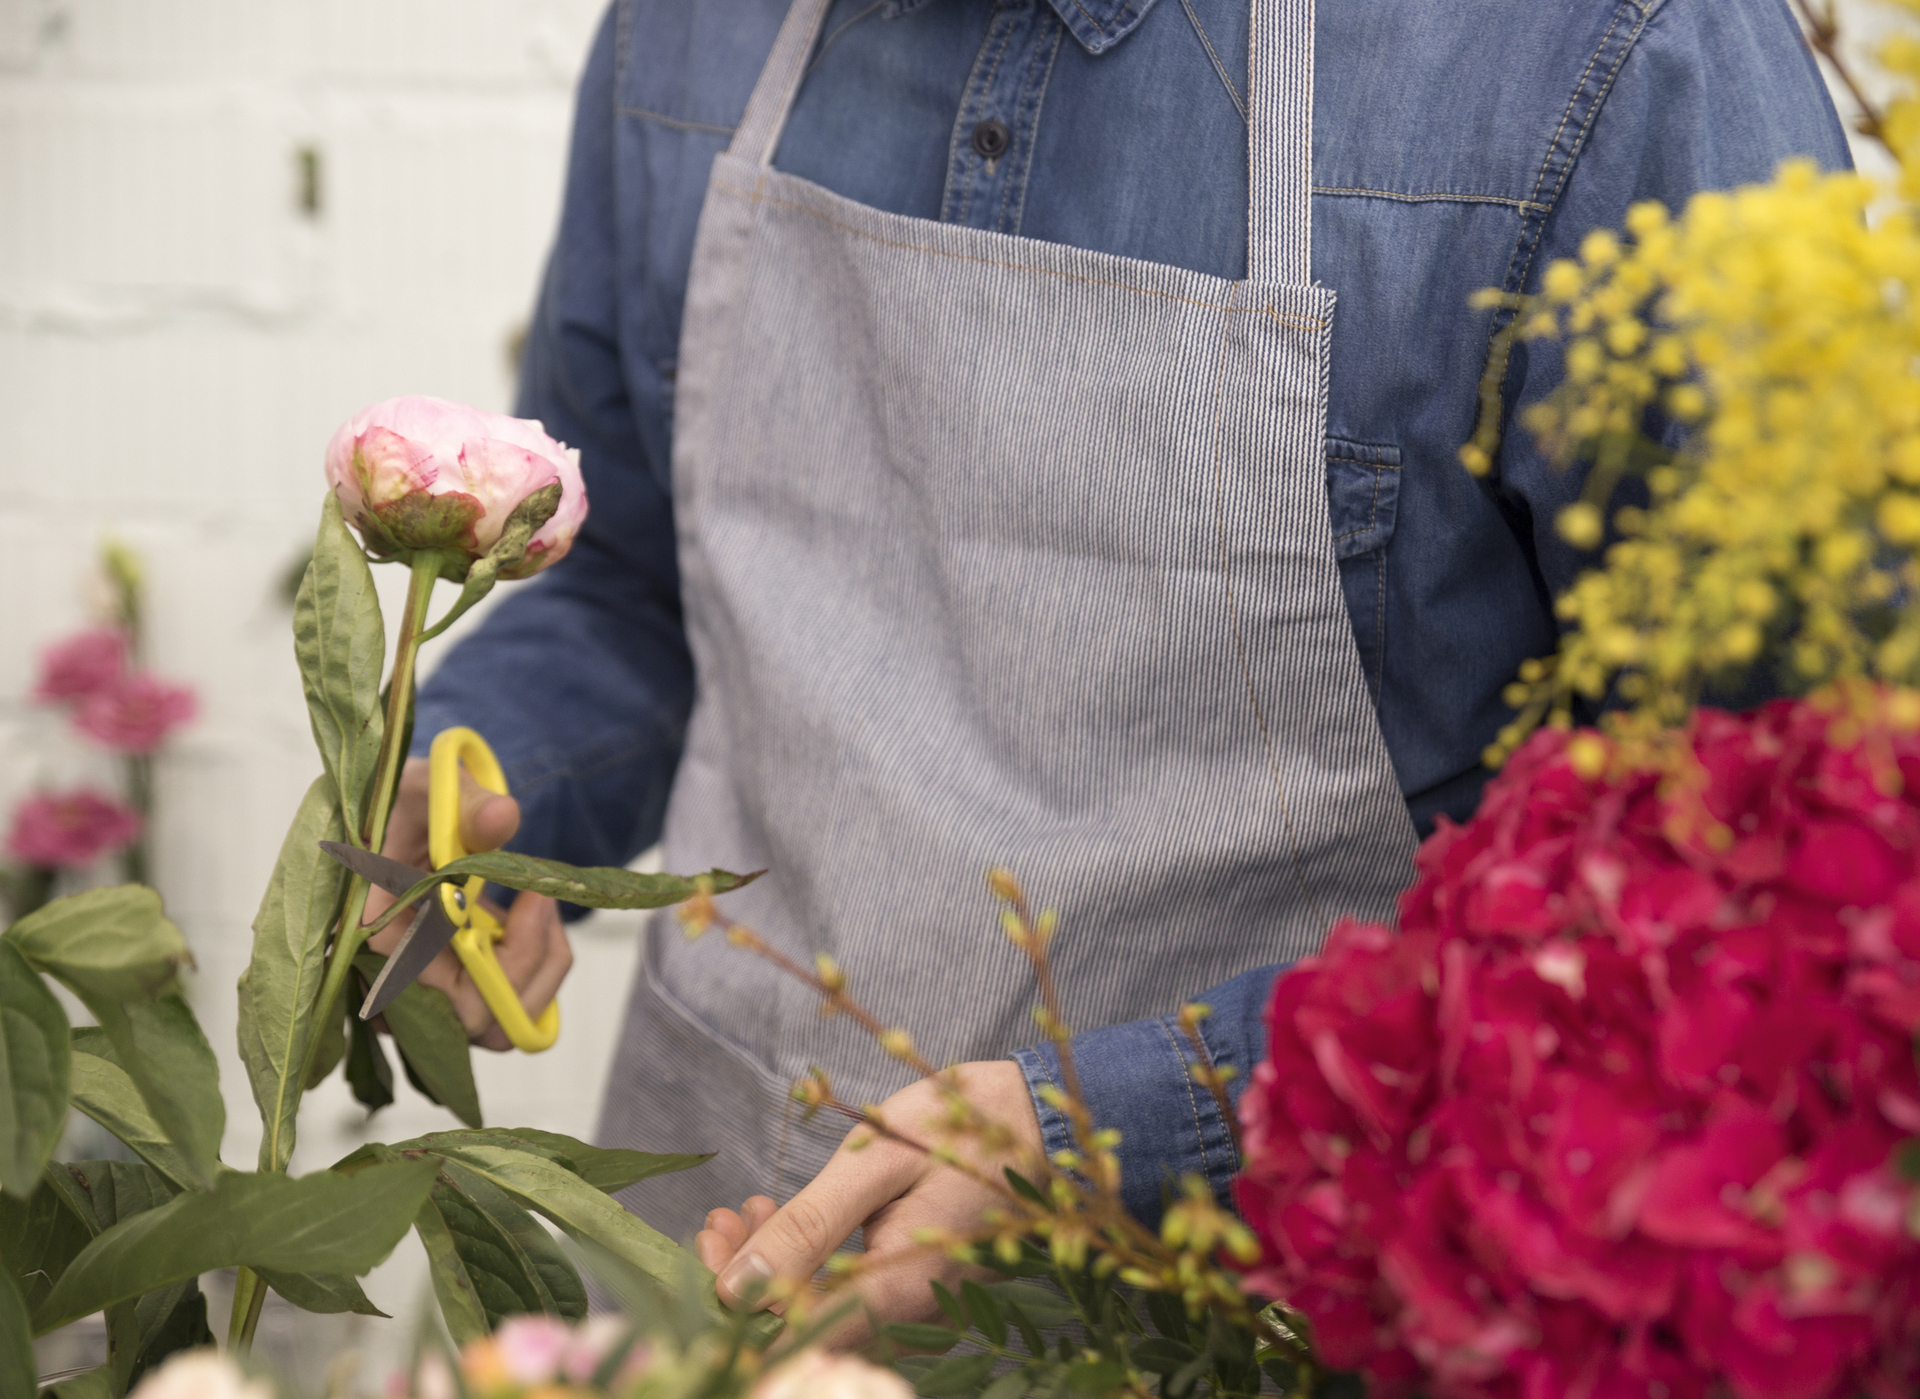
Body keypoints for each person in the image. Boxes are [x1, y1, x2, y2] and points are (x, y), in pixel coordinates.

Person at [374, 0, 1848, 1336]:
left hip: (1270, 1316)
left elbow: (1744, 891)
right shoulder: (686, 39)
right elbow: (642, 579)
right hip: (708, 1251)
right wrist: (483, 789)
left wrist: (1128, 1132)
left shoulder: (1613, 58)